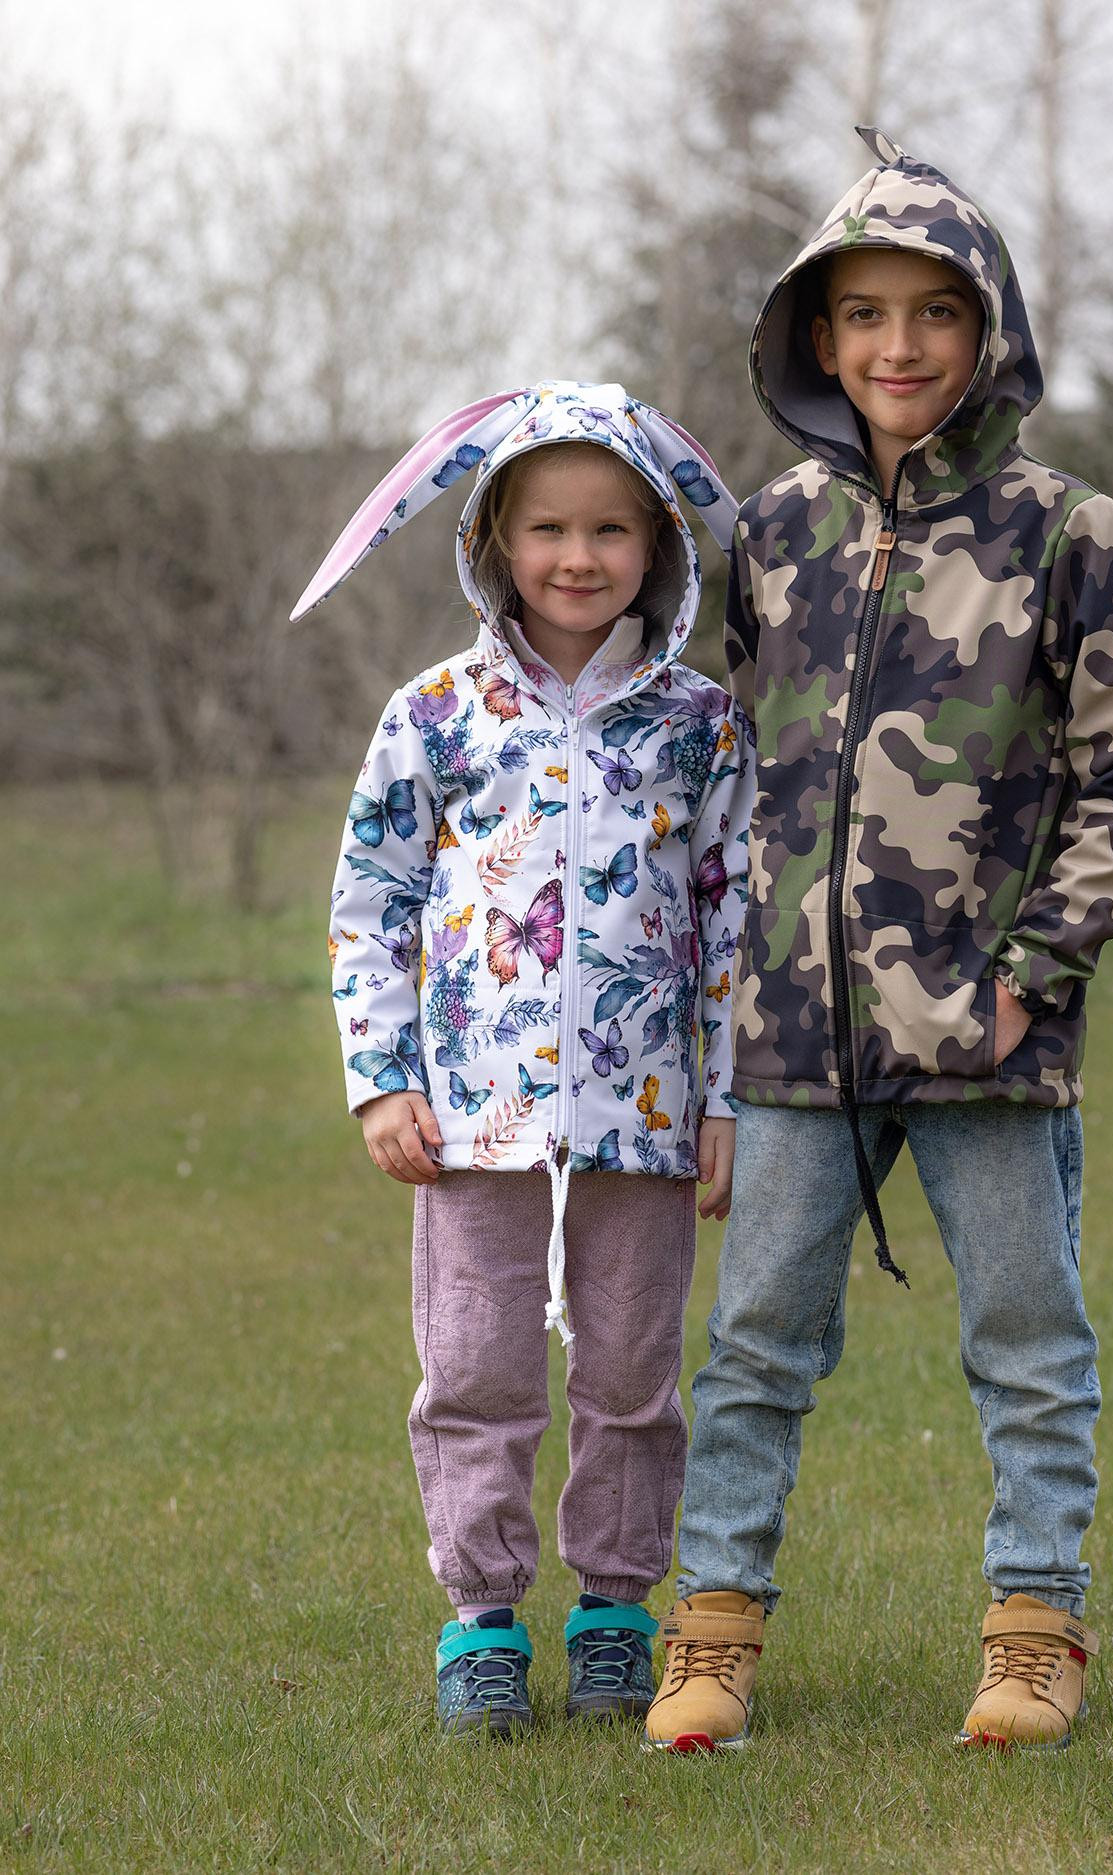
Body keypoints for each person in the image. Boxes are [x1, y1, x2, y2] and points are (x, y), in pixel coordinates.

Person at [644, 128, 1113, 1754]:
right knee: (751, 1350)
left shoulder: (1065, 531)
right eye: (863, 315)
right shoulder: (766, 538)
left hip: (988, 1035)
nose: (897, 346)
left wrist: (1035, 980)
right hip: (798, 1042)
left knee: (1028, 1341)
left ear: (990, 329)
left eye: (933, 314)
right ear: (818, 337)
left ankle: (1035, 1629)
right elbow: (714, 761)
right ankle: (714, 1633)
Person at [293, 381, 753, 1738]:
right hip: (473, 1116)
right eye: (548, 527)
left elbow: (737, 915)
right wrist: (383, 1075)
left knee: (629, 1369)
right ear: (493, 542)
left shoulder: (698, 722)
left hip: (646, 1109)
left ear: (657, 548)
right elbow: (370, 903)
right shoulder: (432, 716)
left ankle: (616, 1605)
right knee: (478, 1364)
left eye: (612, 529)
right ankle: (480, 1617)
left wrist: (726, 1101)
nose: (578, 556)